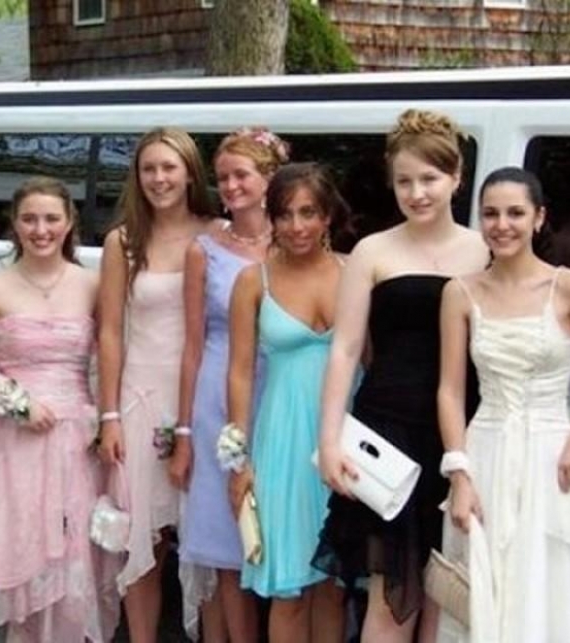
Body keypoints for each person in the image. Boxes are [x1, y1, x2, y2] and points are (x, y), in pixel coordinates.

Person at [436, 167, 570, 642]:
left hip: (549, 460)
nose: (502, 225)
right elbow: (450, 390)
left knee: (549, 584)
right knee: (485, 585)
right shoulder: (460, 292)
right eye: (490, 214)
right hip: (485, 453)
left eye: (515, 213)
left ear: (539, 217)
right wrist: (460, 474)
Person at [313, 109, 489, 643]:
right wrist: (329, 439)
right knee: (391, 596)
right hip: (389, 431)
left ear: (457, 177)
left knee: (447, 592)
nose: (417, 193)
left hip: (463, 432)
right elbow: (345, 348)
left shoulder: (485, 249)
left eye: (429, 179)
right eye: (404, 181)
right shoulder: (373, 250)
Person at [0, 177, 120, 643]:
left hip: (75, 440)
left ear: (69, 223)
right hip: (15, 442)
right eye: (29, 219)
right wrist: (20, 405)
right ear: (14, 224)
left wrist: (106, 418)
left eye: (51, 218)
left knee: (72, 550)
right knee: (20, 544)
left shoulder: (92, 284)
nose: (41, 229)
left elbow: (111, 353)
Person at [96, 128, 216, 643]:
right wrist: (108, 416)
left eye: (169, 167)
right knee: (141, 535)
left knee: (208, 536)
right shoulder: (123, 241)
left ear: (190, 173)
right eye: (149, 168)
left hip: (203, 400)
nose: (159, 178)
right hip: (141, 400)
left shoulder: (217, 234)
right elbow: (109, 332)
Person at [172, 127, 289, 643]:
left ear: (270, 178)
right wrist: (183, 432)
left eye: (242, 174)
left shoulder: (296, 241)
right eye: (222, 178)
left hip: (281, 395)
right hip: (219, 402)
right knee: (227, 541)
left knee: (279, 532)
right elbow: (192, 346)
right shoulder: (204, 250)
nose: (231, 186)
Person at [227, 163, 351, 643]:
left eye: (309, 213)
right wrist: (239, 460)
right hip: (282, 443)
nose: (297, 226)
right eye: (285, 214)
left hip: (344, 438)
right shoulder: (252, 281)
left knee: (334, 588)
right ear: (272, 218)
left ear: (327, 216)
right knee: (289, 591)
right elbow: (239, 372)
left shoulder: (354, 273)